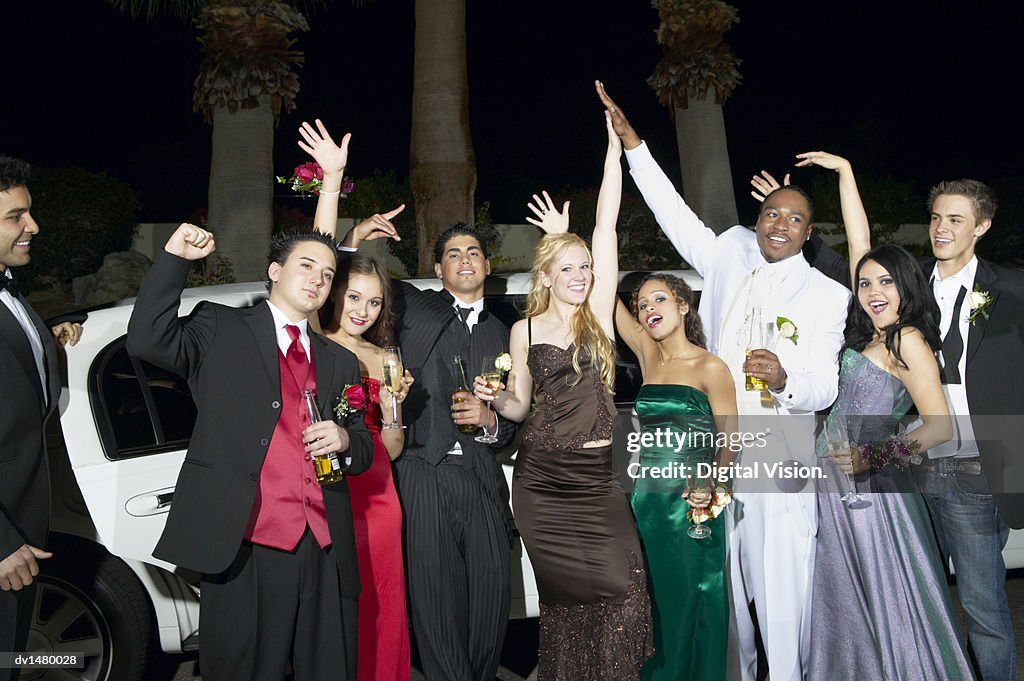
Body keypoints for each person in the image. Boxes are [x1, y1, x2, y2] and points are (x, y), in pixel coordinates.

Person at [596, 81, 850, 681]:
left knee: (782, 595)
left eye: (794, 217)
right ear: (757, 220)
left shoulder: (827, 295)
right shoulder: (729, 252)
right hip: (701, 447)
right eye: (770, 213)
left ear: (808, 233)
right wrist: (634, 146)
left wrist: (786, 378)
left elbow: (823, 386)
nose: (779, 223)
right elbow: (671, 211)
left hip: (775, 448)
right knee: (720, 592)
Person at [297, 119, 515, 681]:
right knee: (435, 611)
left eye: (475, 252)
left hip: (485, 482)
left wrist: (493, 423)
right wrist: (352, 237)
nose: (465, 259)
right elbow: (342, 288)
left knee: (493, 609)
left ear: (487, 267)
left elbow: (521, 416)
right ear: (437, 269)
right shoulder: (414, 307)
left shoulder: (509, 332)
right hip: (421, 474)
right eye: (453, 254)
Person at [126, 224, 373, 681]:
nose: (318, 279)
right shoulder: (220, 326)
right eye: (306, 266)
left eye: (327, 272)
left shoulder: (339, 360)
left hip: (325, 545)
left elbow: (363, 446)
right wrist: (175, 259)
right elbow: (146, 340)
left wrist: (344, 439)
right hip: (245, 543)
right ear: (274, 270)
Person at [478, 111, 653, 679]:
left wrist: (611, 149)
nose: (581, 274)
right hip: (541, 484)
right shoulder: (523, 331)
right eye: (568, 267)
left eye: (585, 266)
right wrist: (493, 399)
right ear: (546, 275)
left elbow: (606, 226)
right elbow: (520, 407)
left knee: (626, 593)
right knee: (569, 609)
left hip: (597, 481)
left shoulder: (598, 316)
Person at [792, 151, 972, 679]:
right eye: (865, 284)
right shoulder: (869, 333)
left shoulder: (908, 339)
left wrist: (875, 456)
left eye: (886, 283)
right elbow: (860, 244)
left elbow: (941, 424)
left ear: (906, 287)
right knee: (847, 600)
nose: (873, 291)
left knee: (889, 594)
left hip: (875, 484)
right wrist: (847, 175)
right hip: (832, 478)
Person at [913, 179, 1022, 681]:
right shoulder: (909, 287)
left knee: (982, 609)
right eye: (936, 217)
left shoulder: (1012, 289)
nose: (941, 228)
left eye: (955, 219)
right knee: (920, 598)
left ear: (981, 227)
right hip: (912, 465)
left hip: (975, 470)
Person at [615, 273, 737, 681]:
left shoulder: (710, 366)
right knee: (653, 609)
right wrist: (579, 249)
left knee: (690, 605)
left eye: (659, 299)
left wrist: (711, 487)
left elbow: (731, 441)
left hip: (691, 504)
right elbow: (601, 298)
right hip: (646, 503)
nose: (649, 309)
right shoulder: (650, 357)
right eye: (643, 304)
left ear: (683, 305)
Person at [0, 155, 80, 681]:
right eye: (16, 216)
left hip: (24, 534)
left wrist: (50, 345)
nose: (33, 226)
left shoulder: (12, 293)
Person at [318, 253, 414, 681]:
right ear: (334, 292)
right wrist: (332, 188)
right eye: (354, 297)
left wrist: (394, 408)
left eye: (374, 303)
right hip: (328, 488)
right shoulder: (315, 340)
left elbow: (391, 448)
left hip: (377, 492)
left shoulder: (385, 357)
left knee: (382, 599)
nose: (362, 311)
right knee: (333, 603)